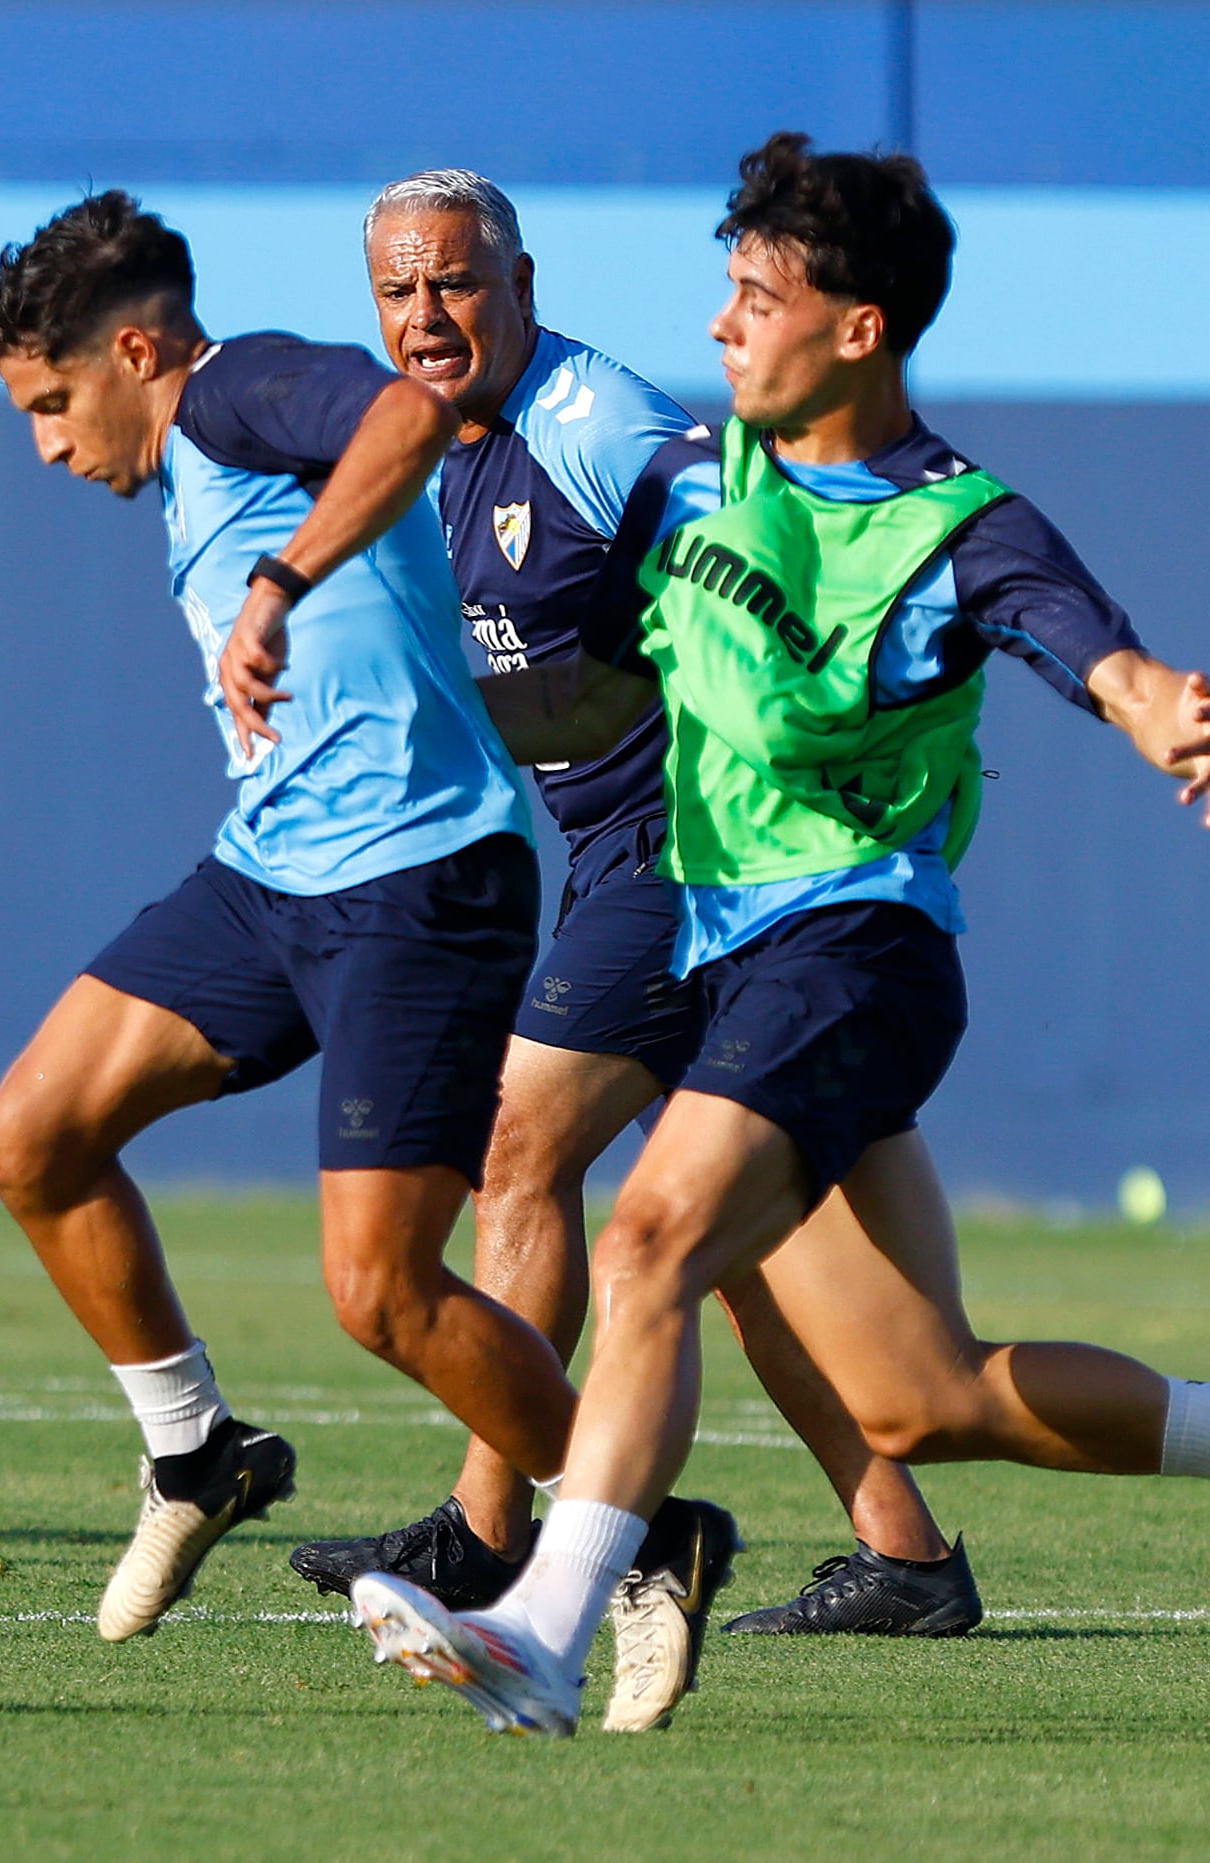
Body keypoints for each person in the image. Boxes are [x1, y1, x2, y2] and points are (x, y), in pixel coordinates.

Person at [250, 135, 1210, 1736]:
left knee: (650, 1234)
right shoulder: (725, 475)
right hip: (744, 955)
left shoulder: (945, 519)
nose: (724, 325)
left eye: (757, 298)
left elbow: (1071, 632)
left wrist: (1154, 701)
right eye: (729, 291)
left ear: (857, 330)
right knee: (918, 1391)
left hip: (854, 948)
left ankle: (539, 1617)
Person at [0, 190, 730, 1655]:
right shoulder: (192, 461)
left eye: (56, 405)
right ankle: (197, 1453)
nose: (54, 447)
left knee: (381, 1290)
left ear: (135, 350)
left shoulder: (234, 388)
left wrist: (280, 581)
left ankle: (638, 1543)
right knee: (30, 1137)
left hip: (421, 883)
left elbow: (398, 418)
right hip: (274, 876)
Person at [284, 169, 983, 1643]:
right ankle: (906, 1557)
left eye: (457, 283)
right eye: (400, 291)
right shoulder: (427, 448)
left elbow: (747, 523)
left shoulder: (593, 427)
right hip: (619, 861)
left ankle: (489, 1531)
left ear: (523, 285)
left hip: (692, 855)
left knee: (514, 1147)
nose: (429, 314)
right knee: (727, 1257)